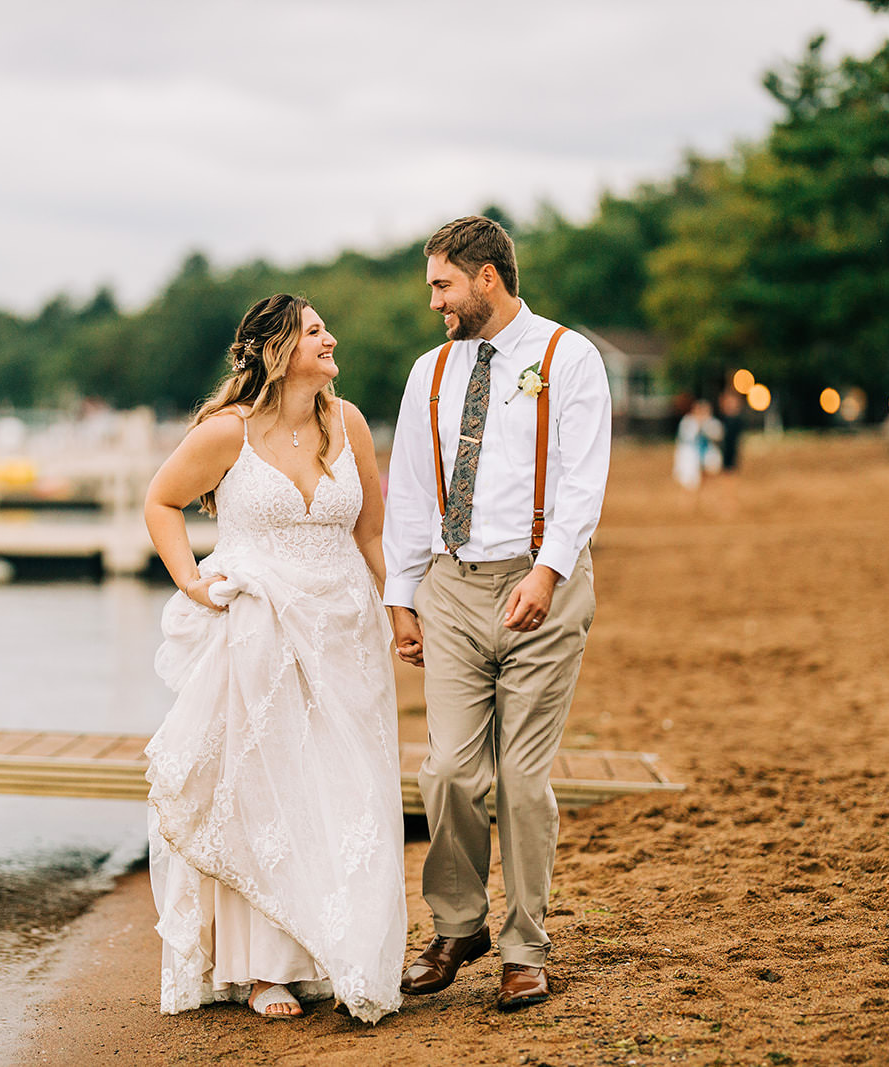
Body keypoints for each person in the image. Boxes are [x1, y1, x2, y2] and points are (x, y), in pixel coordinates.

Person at [142, 294, 406, 1023]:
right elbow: (161, 502)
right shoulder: (228, 432)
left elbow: (371, 535)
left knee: (348, 787)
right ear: (277, 349)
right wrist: (192, 580)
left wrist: (402, 610)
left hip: (345, 632)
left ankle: (335, 948)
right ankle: (261, 969)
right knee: (267, 786)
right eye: (316, 330)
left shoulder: (347, 423)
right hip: (258, 628)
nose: (331, 338)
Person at [383, 216, 611, 1012]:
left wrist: (548, 573)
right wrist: (402, 598)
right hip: (451, 586)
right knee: (447, 769)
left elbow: (583, 480)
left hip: (540, 581)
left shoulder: (567, 357)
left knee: (520, 777)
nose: (435, 302)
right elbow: (410, 487)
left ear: (487, 277)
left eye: (443, 285)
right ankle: (458, 925)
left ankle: (524, 945)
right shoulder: (430, 372)